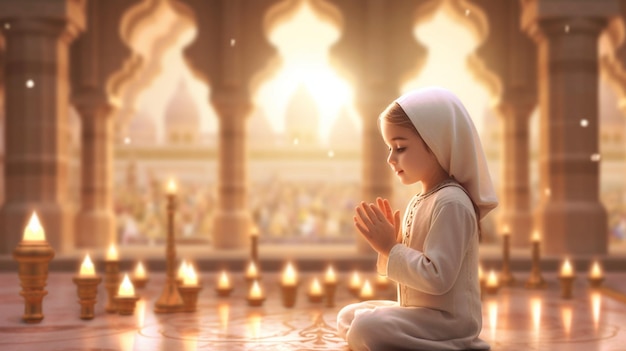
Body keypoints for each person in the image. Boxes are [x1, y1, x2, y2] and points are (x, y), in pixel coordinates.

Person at [337, 87, 498, 350]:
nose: (391, 159)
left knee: (366, 327)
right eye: (390, 148)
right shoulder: (420, 199)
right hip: (420, 313)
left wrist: (392, 248)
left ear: (437, 144)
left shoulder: (452, 202)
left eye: (399, 147)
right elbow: (411, 270)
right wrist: (392, 246)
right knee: (349, 316)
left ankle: (457, 346)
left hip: (449, 323)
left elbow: (438, 277)